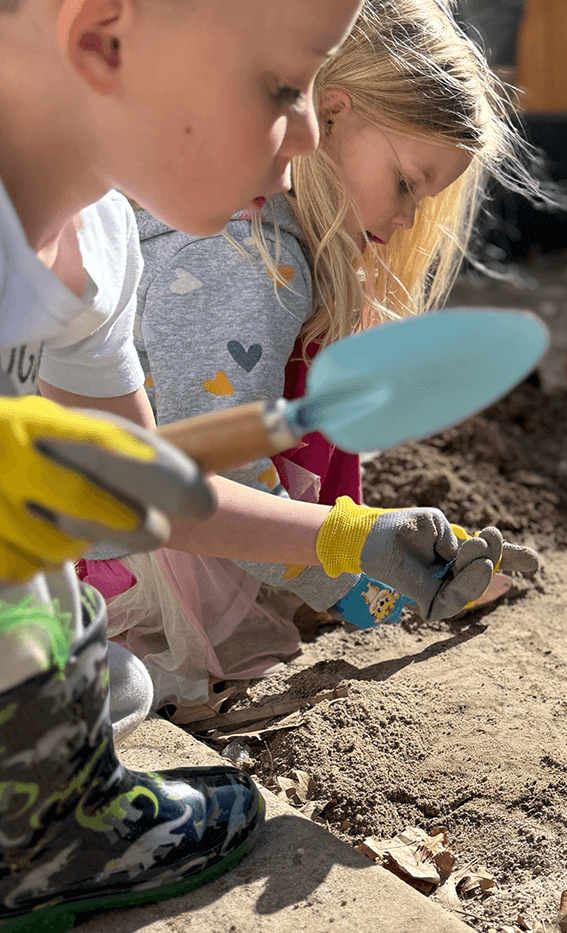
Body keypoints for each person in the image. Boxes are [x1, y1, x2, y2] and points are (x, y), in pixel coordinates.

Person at [0, 0, 365, 928]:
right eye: (284, 85)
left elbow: (138, 490)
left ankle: (49, 814)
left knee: (116, 677)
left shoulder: (98, 243)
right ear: (103, 39)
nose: (313, 130)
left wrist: (350, 536)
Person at [76, 0, 545, 718]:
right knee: (147, 685)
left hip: (154, 516)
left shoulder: (264, 246)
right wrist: (363, 584)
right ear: (333, 112)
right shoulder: (244, 261)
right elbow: (214, 478)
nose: (408, 222)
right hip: (113, 566)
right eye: (406, 184)